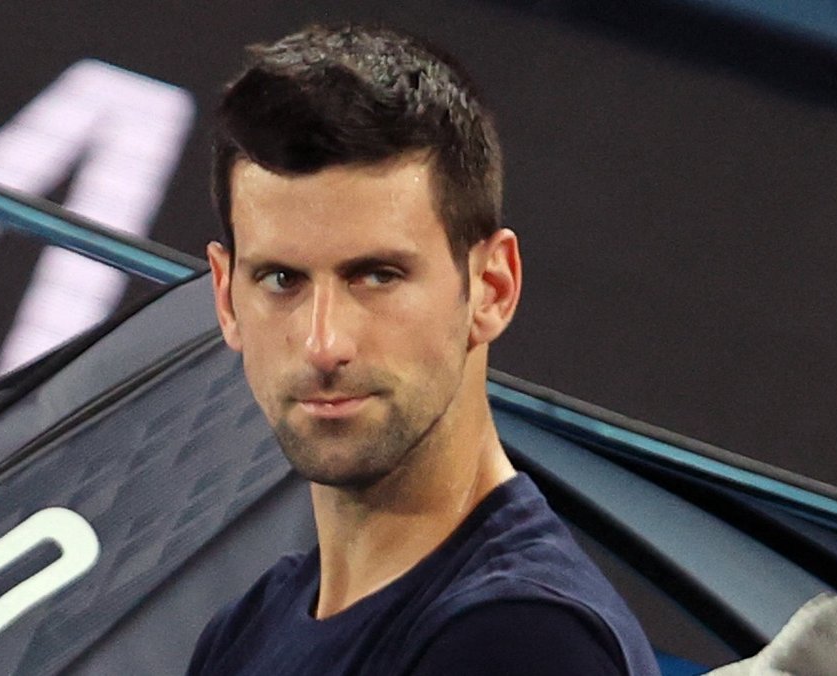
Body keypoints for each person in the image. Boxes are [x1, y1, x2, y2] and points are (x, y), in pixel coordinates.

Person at [188, 23, 661, 676]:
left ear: (492, 288)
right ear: (225, 297)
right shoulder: (248, 626)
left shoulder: (524, 642)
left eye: (377, 275)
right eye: (281, 279)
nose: (325, 344)